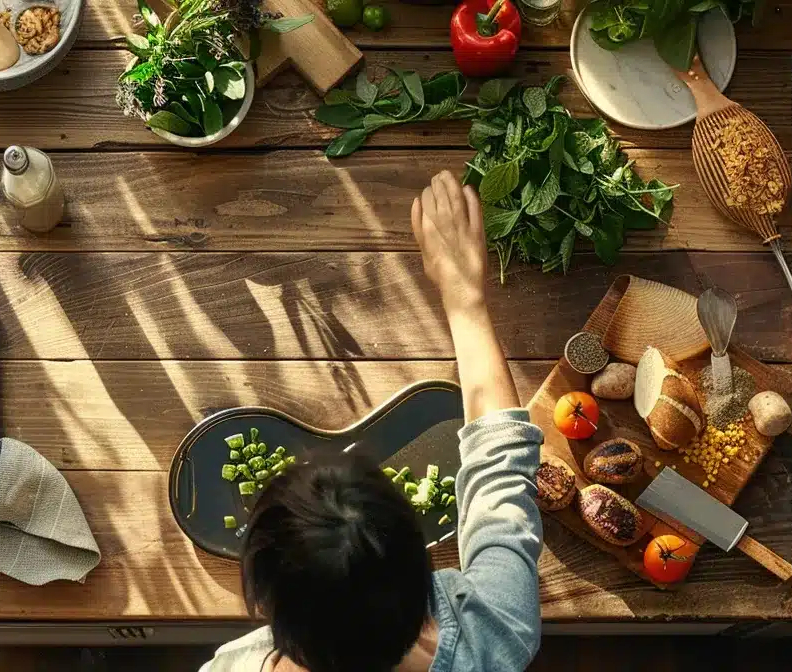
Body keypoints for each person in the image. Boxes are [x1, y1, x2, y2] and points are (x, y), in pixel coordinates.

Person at [201, 171, 545, 672]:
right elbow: (502, 475)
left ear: (262, 604)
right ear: (427, 576)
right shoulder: (495, 632)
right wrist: (464, 298)